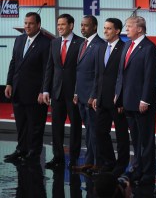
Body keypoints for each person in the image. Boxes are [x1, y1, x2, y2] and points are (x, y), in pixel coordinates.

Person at [114, 16, 156, 186]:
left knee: (146, 141)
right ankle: (137, 169)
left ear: (139, 29)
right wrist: (118, 95)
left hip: (142, 102)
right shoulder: (127, 45)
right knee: (136, 139)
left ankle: (148, 174)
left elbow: (150, 77)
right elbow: (121, 74)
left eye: (129, 26)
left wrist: (145, 99)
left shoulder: (149, 48)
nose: (126, 29)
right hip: (127, 101)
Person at [4, 12, 50, 162]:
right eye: (25, 23)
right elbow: (13, 62)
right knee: (21, 123)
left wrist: (42, 91)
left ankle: (33, 152)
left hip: (35, 93)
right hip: (18, 89)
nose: (27, 26)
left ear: (38, 25)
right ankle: (21, 149)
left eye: (30, 23)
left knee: (35, 125)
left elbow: (47, 70)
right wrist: (9, 83)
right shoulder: (19, 39)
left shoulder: (46, 43)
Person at [43, 14, 84, 169]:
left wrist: (78, 91)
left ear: (71, 26)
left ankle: (73, 159)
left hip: (74, 93)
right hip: (56, 91)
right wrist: (46, 89)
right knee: (56, 127)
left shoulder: (81, 43)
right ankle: (58, 157)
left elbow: (82, 70)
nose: (59, 27)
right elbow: (50, 68)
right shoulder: (54, 42)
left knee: (75, 127)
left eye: (63, 24)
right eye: (58, 24)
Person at [91, 18, 130, 177]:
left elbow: (125, 76)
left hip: (116, 100)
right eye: (104, 28)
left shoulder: (124, 48)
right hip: (101, 99)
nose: (105, 31)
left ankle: (121, 166)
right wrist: (94, 95)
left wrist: (121, 98)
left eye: (108, 28)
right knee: (100, 132)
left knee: (121, 136)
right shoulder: (100, 48)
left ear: (117, 31)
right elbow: (98, 74)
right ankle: (109, 162)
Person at [71, 15, 105, 172]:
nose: (82, 28)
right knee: (89, 131)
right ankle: (90, 161)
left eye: (86, 25)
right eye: (81, 25)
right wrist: (76, 92)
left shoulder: (99, 45)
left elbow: (98, 74)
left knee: (94, 132)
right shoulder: (83, 44)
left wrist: (93, 95)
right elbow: (79, 71)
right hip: (82, 96)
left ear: (94, 27)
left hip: (91, 98)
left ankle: (97, 163)